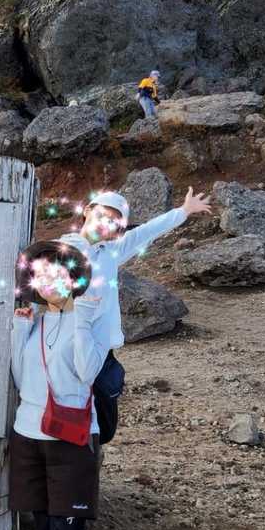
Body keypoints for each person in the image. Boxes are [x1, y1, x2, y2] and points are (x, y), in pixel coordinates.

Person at [9, 239, 127, 530]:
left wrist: (80, 317)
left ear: (74, 278)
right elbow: (20, 379)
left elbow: (85, 372)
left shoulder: (89, 319)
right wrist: (20, 330)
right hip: (28, 437)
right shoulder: (33, 321)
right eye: (41, 276)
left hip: (71, 441)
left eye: (58, 274)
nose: (48, 283)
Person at [59, 186, 212, 442]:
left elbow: (147, 232)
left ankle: (89, 457)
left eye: (114, 222)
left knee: (104, 426)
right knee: (69, 416)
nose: (106, 224)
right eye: (102, 215)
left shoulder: (111, 252)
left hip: (101, 349)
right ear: (87, 211)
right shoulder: (61, 249)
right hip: (68, 346)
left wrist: (183, 211)